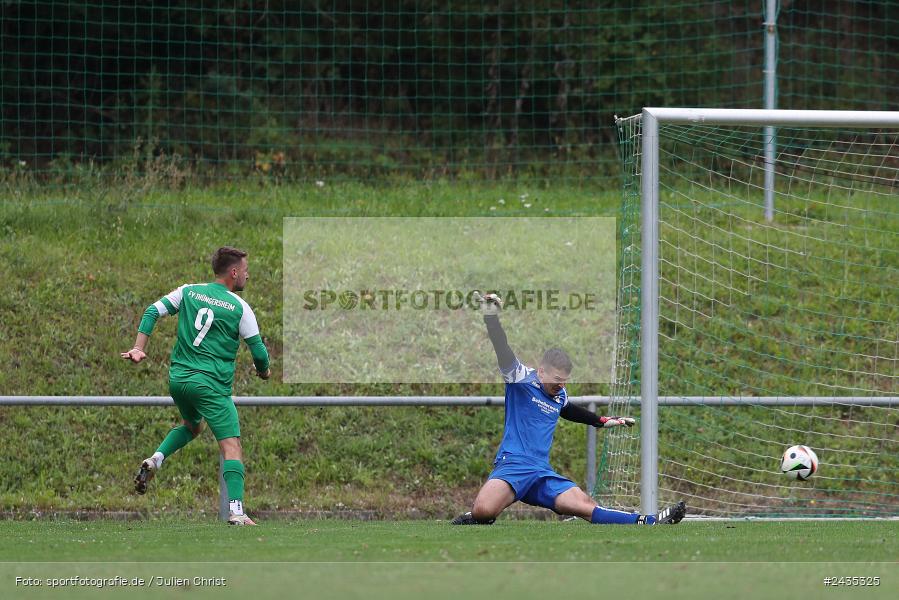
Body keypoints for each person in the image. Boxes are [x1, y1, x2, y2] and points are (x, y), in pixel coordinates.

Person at [451, 292, 685, 526]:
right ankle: (479, 516)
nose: (561, 385)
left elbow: (569, 410)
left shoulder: (559, 394)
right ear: (541, 371)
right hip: (513, 464)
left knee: (586, 505)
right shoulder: (519, 377)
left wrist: (601, 421)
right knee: (483, 511)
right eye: (556, 379)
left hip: (541, 473)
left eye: (564, 380)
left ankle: (650, 520)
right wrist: (491, 318)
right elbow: (501, 347)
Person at [121, 246, 271, 526]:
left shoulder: (188, 291)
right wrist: (264, 372)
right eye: (246, 271)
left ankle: (156, 459)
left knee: (193, 426)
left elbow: (152, 311)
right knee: (232, 446)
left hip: (179, 380)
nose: (247, 277)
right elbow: (259, 353)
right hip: (211, 386)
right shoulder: (240, 308)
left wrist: (138, 348)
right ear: (234, 272)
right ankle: (237, 512)